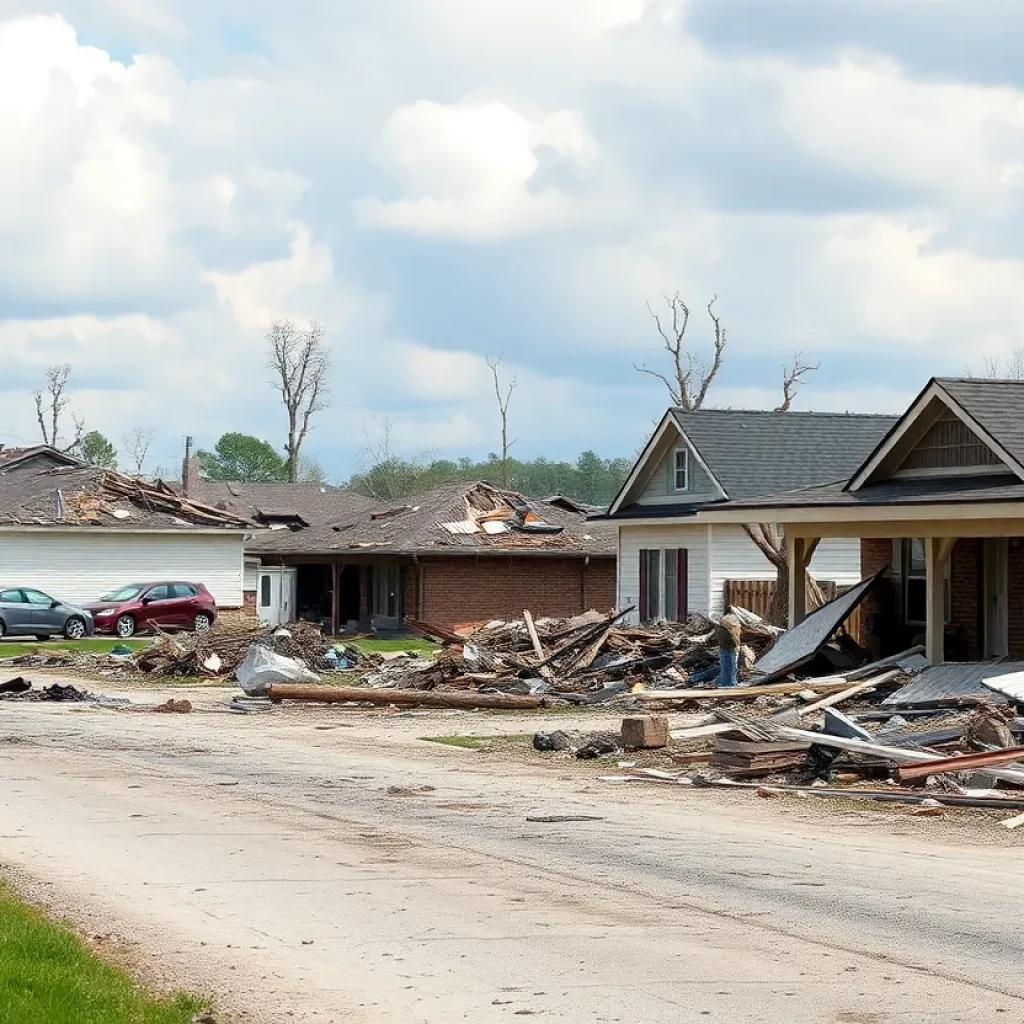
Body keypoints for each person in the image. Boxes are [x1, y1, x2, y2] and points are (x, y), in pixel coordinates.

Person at [715, 611, 742, 687]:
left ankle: (727, 683)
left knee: (727, 668)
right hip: (729, 649)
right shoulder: (727, 630)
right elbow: (733, 640)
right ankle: (730, 683)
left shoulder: (723, 628)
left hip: (726, 649)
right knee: (730, 667)